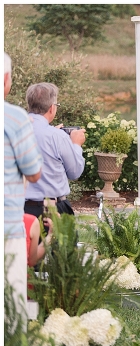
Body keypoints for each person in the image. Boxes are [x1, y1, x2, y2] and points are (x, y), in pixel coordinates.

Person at [5, 52, 43, 323]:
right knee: (10, 310)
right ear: (6, 80)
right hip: (6, 226)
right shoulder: (15, 119)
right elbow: (34, 173)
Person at [23, 83, 86, 218]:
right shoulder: (57, 136)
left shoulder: (14, 130)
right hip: (52, 211)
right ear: (52, 108)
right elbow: (75, 172)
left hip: (18, 210)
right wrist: (76, 144)